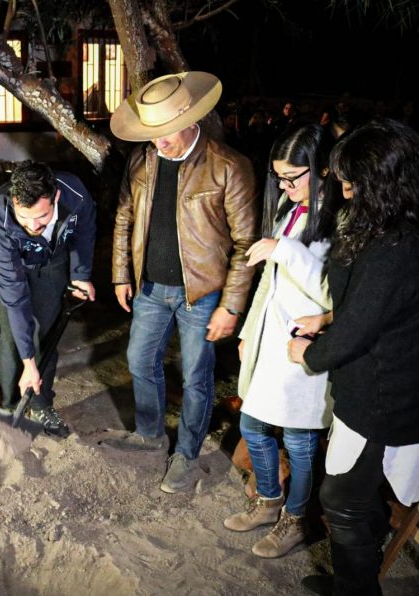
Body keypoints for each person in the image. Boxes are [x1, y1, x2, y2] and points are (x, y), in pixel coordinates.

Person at [107, 71, 259, 493]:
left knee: (196, 376)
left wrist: (230, 306)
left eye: (166, 133)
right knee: (139, 361)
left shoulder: (229, 167)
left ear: (190, 120)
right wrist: (121, 273)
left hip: (203, 295)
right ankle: (149, 434)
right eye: (153, 133)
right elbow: (124, 218)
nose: (159, 141)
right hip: (151, 289)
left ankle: (187, 453)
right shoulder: (140, 161)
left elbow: (247, 243)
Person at [288, 119, 419, 595]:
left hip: (382, 396)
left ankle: (357, 589)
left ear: (382, 183)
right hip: (384, 386)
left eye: (352, 181)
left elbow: (359, 332)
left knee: (339, 498)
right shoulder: (393, 231)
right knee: (356, 493)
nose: (344, 191)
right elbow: (378, 307)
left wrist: (309, 353)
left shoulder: (394, 246)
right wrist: (326, 320)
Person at [223, 124, 334, 558]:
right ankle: (269, 501)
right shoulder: (291, 209)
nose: (285, 186)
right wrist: (249, 332)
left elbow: (329, 292)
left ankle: (296, 519)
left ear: (322, 168)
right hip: (271, 342)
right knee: (252, 424)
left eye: (293, 176)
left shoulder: (339, 216)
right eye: (279, 178)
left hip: (306, 347)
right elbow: (268, 285)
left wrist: (284, 251)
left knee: (301, 439)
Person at [0, 161, 95, 437]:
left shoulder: (76, 195)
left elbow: (85, 233)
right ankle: (10, 408)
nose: (33, 225)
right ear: (14, 200)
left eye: (41, 216)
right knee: (13, 333)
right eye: (24, 216)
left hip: (52, 256)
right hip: (9, 261)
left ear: (55, 197)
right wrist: (29, 364)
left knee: (47, 330)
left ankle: (42, 405)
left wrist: (81, 274)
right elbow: (15, 297)